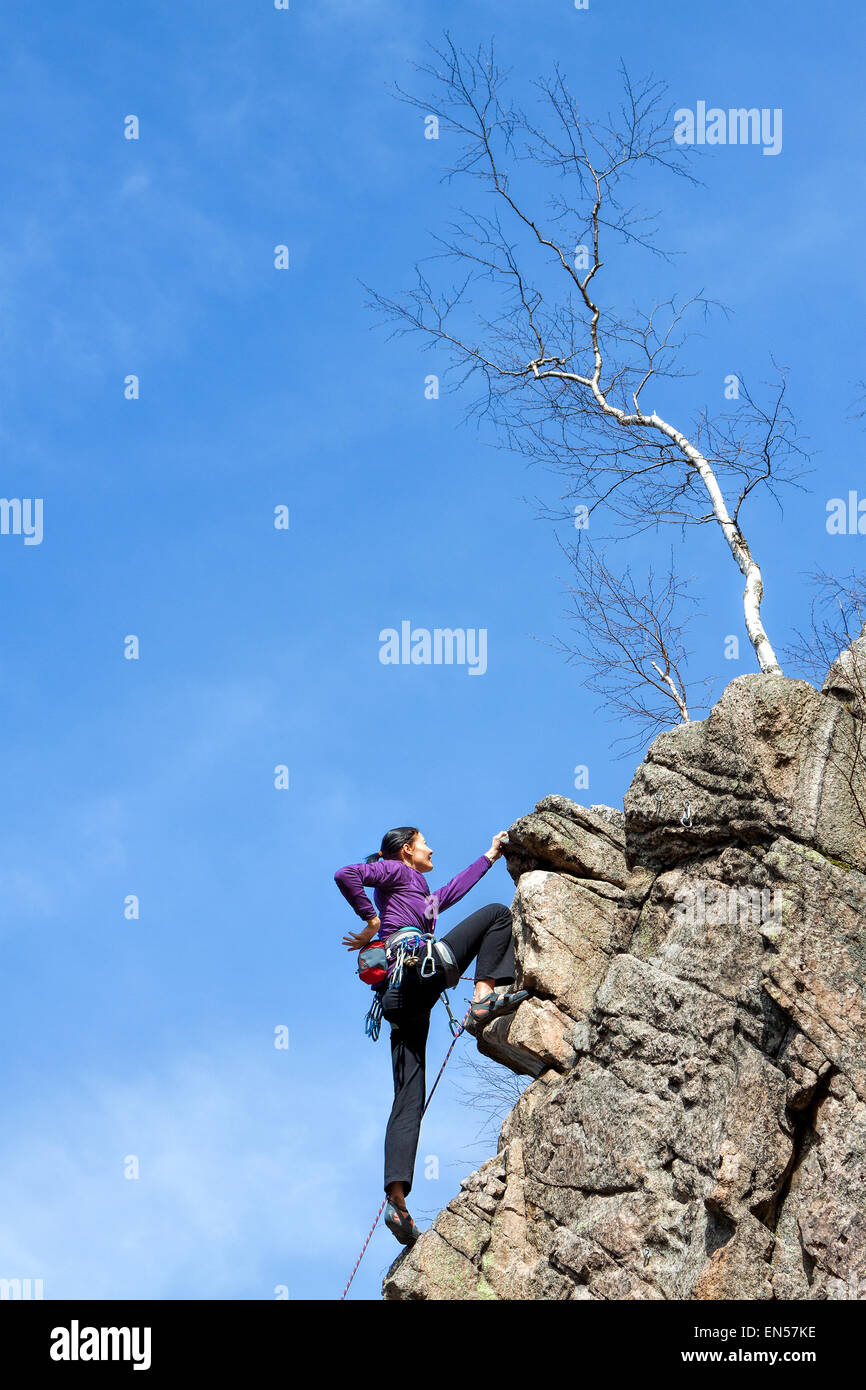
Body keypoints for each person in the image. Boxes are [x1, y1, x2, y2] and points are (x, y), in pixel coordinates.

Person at [335, 825, 529, 1246]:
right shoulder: (397, 872)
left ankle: (396, 1198)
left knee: (408, 1095)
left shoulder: (416, 892)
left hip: (398, 999)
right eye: (424, 843)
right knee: (498, 914)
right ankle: (482, 998)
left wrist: (490, 855)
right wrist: (370, 919)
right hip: (417, 969)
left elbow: (451, 892)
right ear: (406, 851)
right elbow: (345, 874)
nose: (432, 847)